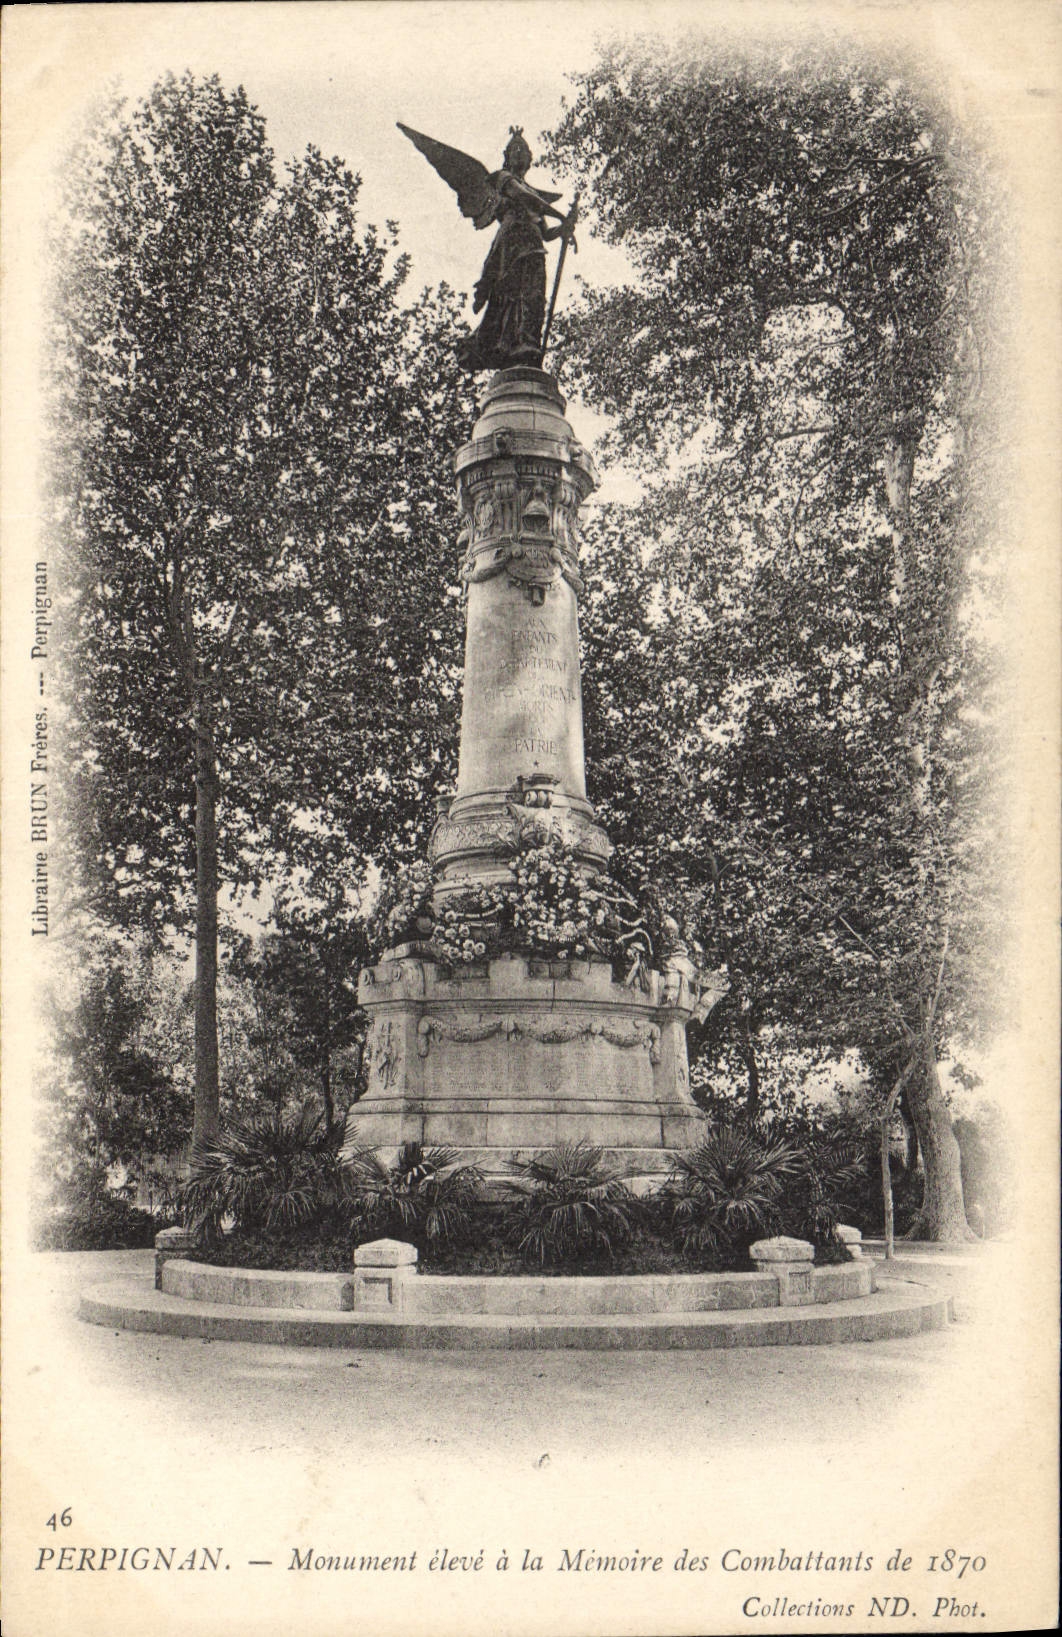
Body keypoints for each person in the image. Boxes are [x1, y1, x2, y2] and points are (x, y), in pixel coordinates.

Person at [457, 129, 575, 374]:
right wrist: (559, 214)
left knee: (534, 295)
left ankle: (526, 342)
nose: (521, 154)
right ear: (507, 156)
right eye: (516, 150)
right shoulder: (503, 179)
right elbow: (526, 198)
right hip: (511, 245)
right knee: (510, 295)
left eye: (525, 151)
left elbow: (545, 232)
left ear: (531, 159)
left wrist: (563, 230)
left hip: (533, 244)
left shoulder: (531, 191)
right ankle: (503, 344)